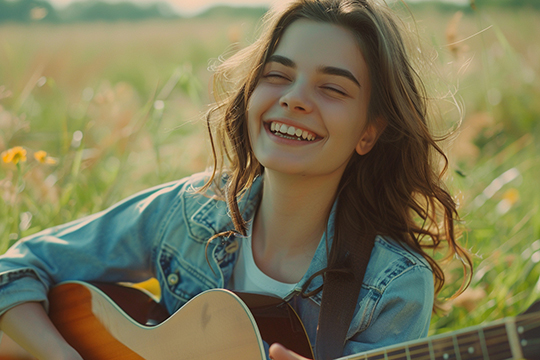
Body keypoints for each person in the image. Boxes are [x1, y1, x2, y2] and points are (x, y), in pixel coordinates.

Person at [0, 0, 473, 359]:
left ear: (369, 132)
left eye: (331, 88)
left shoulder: (392, 284)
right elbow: (16, 269)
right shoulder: (188, 213)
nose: (294, 99)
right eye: (277, 75)